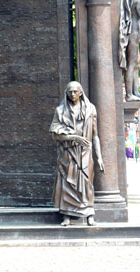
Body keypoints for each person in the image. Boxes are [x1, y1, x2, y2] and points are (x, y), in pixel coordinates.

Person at [50, 81, 104, 226]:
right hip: (67, 154)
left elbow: (95, 135)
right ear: (66, 93)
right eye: (70, 92)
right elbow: (55, 135)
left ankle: (89, 214)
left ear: (81, 92)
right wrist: (73, 137)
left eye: (75, 91)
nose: (73, 94)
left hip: (85, 155)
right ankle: (67, 216)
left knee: (86, 184)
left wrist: (99, 157)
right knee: (67, 184)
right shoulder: (60, 111)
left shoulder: (90, 109)